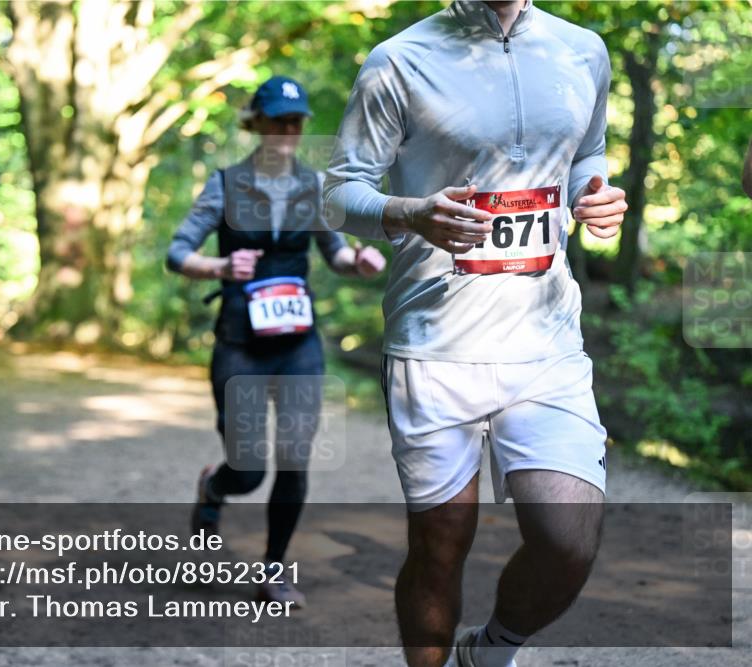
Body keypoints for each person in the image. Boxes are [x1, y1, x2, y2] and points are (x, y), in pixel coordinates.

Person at [324, 2, 627, 666]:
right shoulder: (400, 60)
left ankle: (490, 652)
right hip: (435, 343)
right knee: (440, 542)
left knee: (568, 537)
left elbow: (588, 152)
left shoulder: (582, 50)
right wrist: (412, 213)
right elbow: (337, 193)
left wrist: (592, 191)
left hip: (544, 338)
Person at [167, 75, 386, 608]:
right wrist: (220, 265)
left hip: (297, 345)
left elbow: (332, 252)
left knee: (294, 457)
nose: (288, 132)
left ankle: (274, 570)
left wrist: (355, 262)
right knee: (247, 469)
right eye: (278, 122)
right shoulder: (225, 184)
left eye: (296, 123)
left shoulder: (312, 188)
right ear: (257, 124)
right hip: (239, 342)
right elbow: (177, 253)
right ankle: (215, 488)